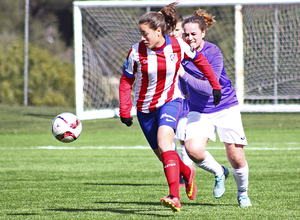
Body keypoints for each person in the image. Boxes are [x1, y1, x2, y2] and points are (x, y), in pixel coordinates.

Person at [119, 3, 222, 212]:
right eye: (140, 33)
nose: (142, 38)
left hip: (170, 102)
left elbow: (201, 61)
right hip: (144, 110)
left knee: (165, 144)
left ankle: (174, 196)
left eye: (145, 33)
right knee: (164, 155)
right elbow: (125, 80)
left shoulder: (177, 45)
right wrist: (125, 108)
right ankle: (187, 170)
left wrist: (215, 85)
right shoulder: (135, 52)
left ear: (158, 31)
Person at [179, 9, 252, 207]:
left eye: (193, 34)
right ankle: (220, 172)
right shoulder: (180, 55)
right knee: (192, 150)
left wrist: (184, 75)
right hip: (199, 110)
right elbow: (183, 86)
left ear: (203, 33)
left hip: (225, 106)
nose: (189, 37)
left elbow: (211, 89)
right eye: (186, 34)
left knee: (236, 157)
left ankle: (242, 193)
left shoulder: (213, 52)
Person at [170, 13, 194, 186]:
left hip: (185, 103)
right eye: (170, 29)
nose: (173, 33)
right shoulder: (162, 48)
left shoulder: (186, 49)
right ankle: (178, 172)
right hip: (167, 102)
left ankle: (188, 171)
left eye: (177, 29)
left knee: (185, 139)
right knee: (168, 140)